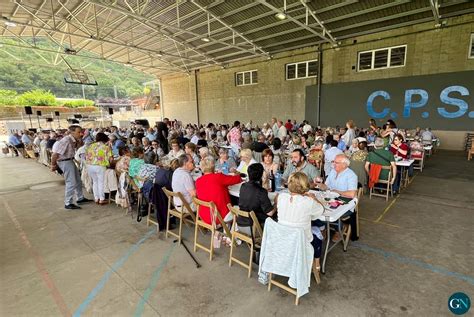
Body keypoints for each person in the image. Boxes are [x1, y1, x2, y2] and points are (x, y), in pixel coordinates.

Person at [277, 172, 324, 282]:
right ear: (305, 186)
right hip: (301, 243)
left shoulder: (281, 197)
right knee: (318, 235)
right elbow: (321, 211)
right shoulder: (308, 202)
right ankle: (316, 263)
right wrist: (313, 198)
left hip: (283, 240)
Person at [51, 125, 91, 209]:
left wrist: (80, 140)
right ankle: (68, 202)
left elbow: (79, 147)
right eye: (78, 132)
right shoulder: (66, 141)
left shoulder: (73, 140)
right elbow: (55, 154)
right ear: (72, 132)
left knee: (78, 180)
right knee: (71, 182)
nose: (81, 134)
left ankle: (80, 198)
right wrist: (53, 165)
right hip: (64, 161)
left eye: (81, 132)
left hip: (69, 160)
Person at [195, 157, 242, 225]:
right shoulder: (218, 177)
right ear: (213, 167)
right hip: (219, 216)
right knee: (239, 207)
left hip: (204, 215)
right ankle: (230, 231)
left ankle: (220, 231)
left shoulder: (198, 181)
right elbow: (237, 179)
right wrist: (238, 174)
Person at [238, 164, 276, 234]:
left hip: (240, 223)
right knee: (275, 217)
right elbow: (270, 213)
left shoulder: (243, 186)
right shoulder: (261, 191)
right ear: (261, 175)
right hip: (253, 227)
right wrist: (276, 202)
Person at [85, 132, 113, 205]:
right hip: (100, 166)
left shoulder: (90, 146)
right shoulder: (106, 147)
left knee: (95, 182)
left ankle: (96, 198)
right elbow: (111, 159)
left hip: (90, 166)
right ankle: (102, 199)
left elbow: (86, 156)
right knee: (101, 182)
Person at [152, 159, 179, 231]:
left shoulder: (160, 170)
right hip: (165, 197)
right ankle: (173, 217)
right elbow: (173, 187)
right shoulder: (170, 174)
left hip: (157, 195)